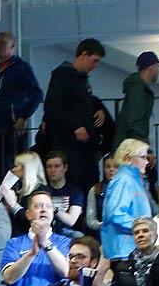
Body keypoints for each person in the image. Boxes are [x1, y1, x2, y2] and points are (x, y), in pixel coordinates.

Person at [0, 190, 72, 286]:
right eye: (38, 206)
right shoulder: (14, 243)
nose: (44, 209)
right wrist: (31, 254)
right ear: (28, 214)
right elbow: (9, 277)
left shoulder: (65, 242)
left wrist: (45, 243)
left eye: (48, 206)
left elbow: (66, 271)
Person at [43, 38, 110, 192]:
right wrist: (76, 125)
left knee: (89, 184)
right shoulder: (62, 75)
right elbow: (52, 107)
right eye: (94, 61)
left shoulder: (82, 80)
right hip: (69, 146)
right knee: (76, 185)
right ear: (84, 54)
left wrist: (98, 108)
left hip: (85, 148)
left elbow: (82, 104)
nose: (95, 66)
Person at [0, 31, 42, 170]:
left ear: (12, 46)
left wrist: (22, 117)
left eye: (2, 42)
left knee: (16, 166)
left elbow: (37, 94)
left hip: (14, 127)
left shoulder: (21, 68)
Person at [100, 139, 150, 261]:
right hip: (124, 251)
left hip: (131, 249)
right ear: (128, 159)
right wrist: (144, 228)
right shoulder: (123, 181)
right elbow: (116, 215)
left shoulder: (133, 181)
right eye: (143, 157)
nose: (147, 162)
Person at [117, 50, 159, 146]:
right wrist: (143, 146)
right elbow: (135, 123)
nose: (158, 71)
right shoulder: (138, 89)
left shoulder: (136, 87)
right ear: (151, 67)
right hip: (131, 148)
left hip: (129, 146)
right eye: (157, 66)